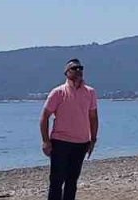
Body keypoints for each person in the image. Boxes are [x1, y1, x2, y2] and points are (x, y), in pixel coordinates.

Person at [40, 58, 99, 200]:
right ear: (67, 72)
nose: (78, 71)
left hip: (81, 143)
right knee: (56, 180)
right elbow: (44, 117)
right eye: (74, 68)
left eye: (80, 68)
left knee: (72, 181)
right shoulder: (58, 92)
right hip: (60, 142)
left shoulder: (90, 92)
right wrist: (46, 141)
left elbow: (93, 117)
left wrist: (93, 140)